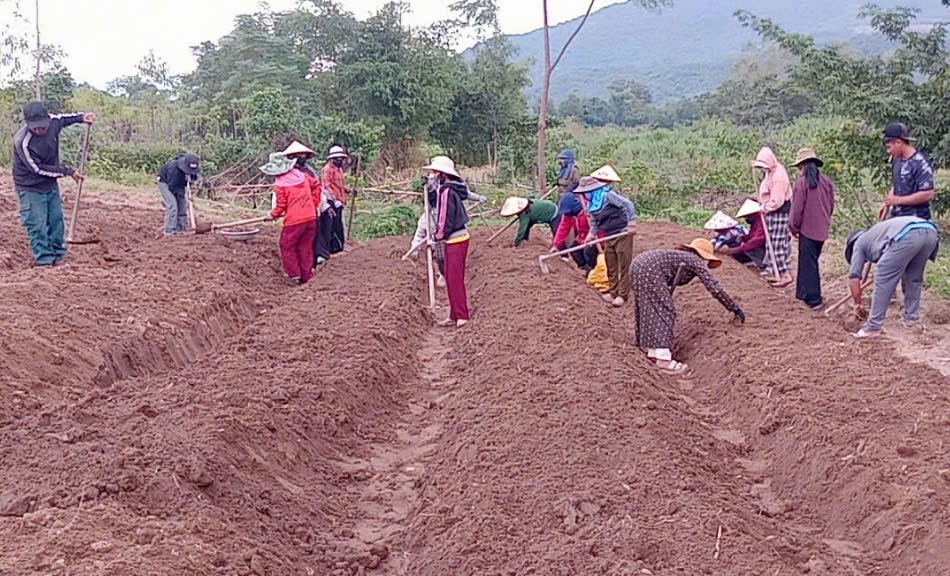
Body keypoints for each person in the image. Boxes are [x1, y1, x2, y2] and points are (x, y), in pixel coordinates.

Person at [630, 238, 745, 374]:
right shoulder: (694, 260)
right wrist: (733, 307)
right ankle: (663, 359)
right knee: (665, 311)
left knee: (648, 309)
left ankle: (652, 351)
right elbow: (715, 289)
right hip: (649, 270)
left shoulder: (681, 256)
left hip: (637, 265)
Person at [12, 101, 96, 266]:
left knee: (56, 221)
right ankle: (44, 260)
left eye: (42, 126)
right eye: (35, 127)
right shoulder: (23, 142)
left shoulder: (54, 122)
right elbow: (37, 169)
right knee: (37, 224)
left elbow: (64, 119)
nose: (39, 130)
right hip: (30, 187)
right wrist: (68, 172)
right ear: (28, 124)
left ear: (47, 119)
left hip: (50, 184)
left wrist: (82, 117)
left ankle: (58, 255)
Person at [846, 216, 940, 339]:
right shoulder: (875, 235)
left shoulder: (859, 244)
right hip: (930, 232)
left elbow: (854, 278)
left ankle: (873, 326)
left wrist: (857, 304)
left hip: (908, 235)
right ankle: (911, 318)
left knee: (883, 278)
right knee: (913, 278)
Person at [575, 176, 637, 307]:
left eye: (585, 192)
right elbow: (595, 222)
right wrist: (591, 234)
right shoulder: (592, 204)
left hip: (622, 232)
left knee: (623, 263)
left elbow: (628, 204)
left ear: (592, 190)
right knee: (610, 264)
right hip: (609, 235)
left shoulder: (608, 196)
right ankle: (613, 292)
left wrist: (631, 223)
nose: (585, 195)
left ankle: (622, 295)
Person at [426, 156, 472, 328]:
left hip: (456, 239)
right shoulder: (448, 189)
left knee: (454, 278)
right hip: (456, 238)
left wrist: (437, 236)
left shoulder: (447, 191)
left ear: (442, 174)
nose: (433, 175)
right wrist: (430, 191)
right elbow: (436, 204)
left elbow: (445, 217)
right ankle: (454, 314)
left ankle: (462, 315)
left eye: (435, 172)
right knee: (451, 278)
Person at [261, 152, 320, 285]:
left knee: (286, 245)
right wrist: (313, 203)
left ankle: (294, 275)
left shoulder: (280, 183)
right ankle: (306, 275)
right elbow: (317, 185)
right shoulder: (302, 176)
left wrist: (272, 215)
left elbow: (281, 205)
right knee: (305, 247)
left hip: (295, 221)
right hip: (311, 218)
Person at [789, 148, 836, 310]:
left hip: (807, 229)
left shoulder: (802, 183)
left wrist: (793, 227)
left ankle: (813, 299)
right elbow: (831, 205)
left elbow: (796, 209)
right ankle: (803, 295)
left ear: (802, 166)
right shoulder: (826, 182)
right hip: (822, 229)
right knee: (810, 262)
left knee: (807, 265)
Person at [752, 146, 794, 287]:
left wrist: (764, 208)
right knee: (770, 242)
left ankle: (784, 274)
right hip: (772, 212)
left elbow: (777, 201)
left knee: (777, 244)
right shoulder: (770, 173)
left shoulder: (778, 177)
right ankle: (774, 271)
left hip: (779, 212)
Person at [882, 123, 935, 220]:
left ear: (898, 142)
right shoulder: (897, 159)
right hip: (896, 216)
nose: (888, 151)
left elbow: (928, 194)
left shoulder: (920, 163)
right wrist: (887, 204)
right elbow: (898, 183)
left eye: (889, 147)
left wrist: (898, 200)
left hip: (916, 219)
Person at [316, 145, 349, 264]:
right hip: (330, 202)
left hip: (339, 201)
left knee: (339, 225)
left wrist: (347, 190)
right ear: (332, 159)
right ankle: (330, 250)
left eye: (341, 158)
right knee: (331, 227)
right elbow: (327, 186)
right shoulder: (327, 169)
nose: (340, 161)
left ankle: (339, 248)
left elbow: (339, 186)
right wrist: (334, 200)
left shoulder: (339, 170)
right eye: (338, 158)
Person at [157, 153, 201, 237]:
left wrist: (192, 180)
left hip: (179, 185)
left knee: (183, 205)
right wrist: (180, 195)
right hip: (166, 183)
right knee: (173, 206)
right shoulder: (173, 169)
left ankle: (181, 229)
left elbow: (193, 177)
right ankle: (169, 230)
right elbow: (172, 187)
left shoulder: (191, 167)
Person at [552, 192, 595, 272]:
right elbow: (563, 228)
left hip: (594, 237)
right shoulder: (569, 216)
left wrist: (591, 236)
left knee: (589, 252)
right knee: (574, 250)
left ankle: (593, 269)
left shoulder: (588, 210)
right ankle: (585, 268)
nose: (567, 214)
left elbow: (596, 225)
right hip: (582, 237)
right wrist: (556, 245)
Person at [722, 199, 767, 270]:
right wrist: (743, 238)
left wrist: (738, 249)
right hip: (755, 246)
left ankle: (760, 264)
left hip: (762, 249)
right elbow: (752, 235)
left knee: (742, 250)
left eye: (747, 216)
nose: (747, 218)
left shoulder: (761, 222)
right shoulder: (755, 222)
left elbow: (758, 240)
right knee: (733, 242)